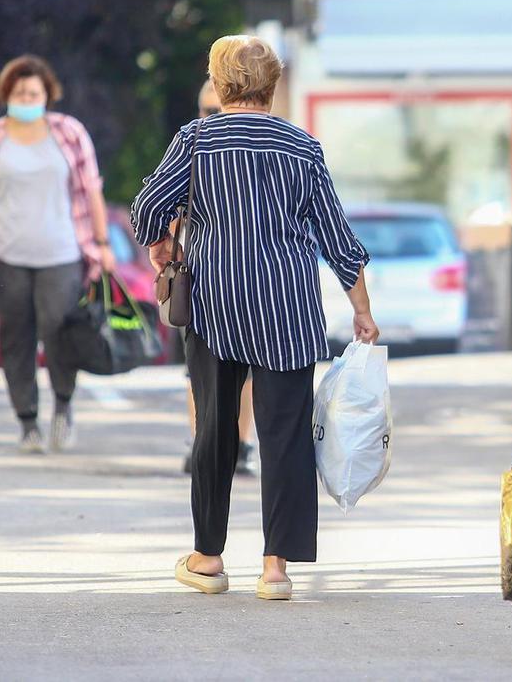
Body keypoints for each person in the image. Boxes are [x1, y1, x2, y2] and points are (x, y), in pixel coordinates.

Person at [131, 35, 378, 600]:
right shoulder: (303, 148)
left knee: (215, 433)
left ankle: (209, 558)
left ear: (219, 85)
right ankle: (276, 569)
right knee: (285, 437)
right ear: (273, 86)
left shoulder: (196, 141)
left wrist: (160, 246)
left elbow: (149, 207)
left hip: (214, 306)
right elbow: (338, 239)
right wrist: (361, 310)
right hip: (288, 308)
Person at [0, 55, 116, 454]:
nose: (26, 97)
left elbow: (91, 190)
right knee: (16, 337)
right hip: (8, 255)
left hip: (62, 252)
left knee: (59, 331)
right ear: (6, 96)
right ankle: (27, 420)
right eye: (18, 92)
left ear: (47, 95)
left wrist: (102, 246)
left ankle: (63, 406)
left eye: (33, 92)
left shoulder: (69, 133)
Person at [177, 79, 257, 477]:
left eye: (217, 109)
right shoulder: (193, 147)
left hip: (254, 279)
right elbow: (165, 204)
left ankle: (240, 445)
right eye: (205, 111)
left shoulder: (262, 145)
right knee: (198, 373)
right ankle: (203, 445)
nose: (210, 118)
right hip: (203, 278)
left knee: (246, 377)